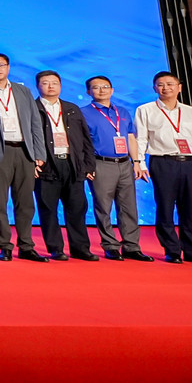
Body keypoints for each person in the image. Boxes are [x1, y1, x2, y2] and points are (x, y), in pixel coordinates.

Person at [0, 52, 48, 261]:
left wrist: (39, 153)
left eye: (1, 65)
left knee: (25, 202)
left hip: (24, 151)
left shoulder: (23, 91)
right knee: (0, 201)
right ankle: (5, 245)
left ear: (8, 67)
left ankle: (27, 246)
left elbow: (35, 124)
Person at [135, 71, 192, 264]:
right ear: (154, 88)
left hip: (190, 163)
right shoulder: (145, 110)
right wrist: (140, 162)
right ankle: (172, 250)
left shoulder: (191, 111)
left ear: (179, 87)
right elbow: (141, 139)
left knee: (189, 208)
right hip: (163, 162)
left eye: (170, 84)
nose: (166, 88)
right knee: (165, 207)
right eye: (161, 84)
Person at [82, 75, 151, 261]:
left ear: (112, 90)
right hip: (101, 164)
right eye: (96, 87)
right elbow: (82, 143)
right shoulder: (83, 113)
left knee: (129, 207)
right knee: (103, 207)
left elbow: (130, 137)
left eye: (105, 87)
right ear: (88, 91)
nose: (101, 90)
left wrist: (136, 162)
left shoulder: (122, 111)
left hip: (125, 164)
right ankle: (110, 245)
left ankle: (132, 246)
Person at [33, 70, 98, 261]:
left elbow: (86, 139)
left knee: (77, 208)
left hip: (72, 164)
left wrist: (89, 165)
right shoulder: (32, 108)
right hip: (46, 165)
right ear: (38, 86)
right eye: (45, 83)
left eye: (54, 83)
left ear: (60, 86)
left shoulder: (71, 108)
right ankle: (56, 248)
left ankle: (81, 248)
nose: (50, 86)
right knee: (48, 209)